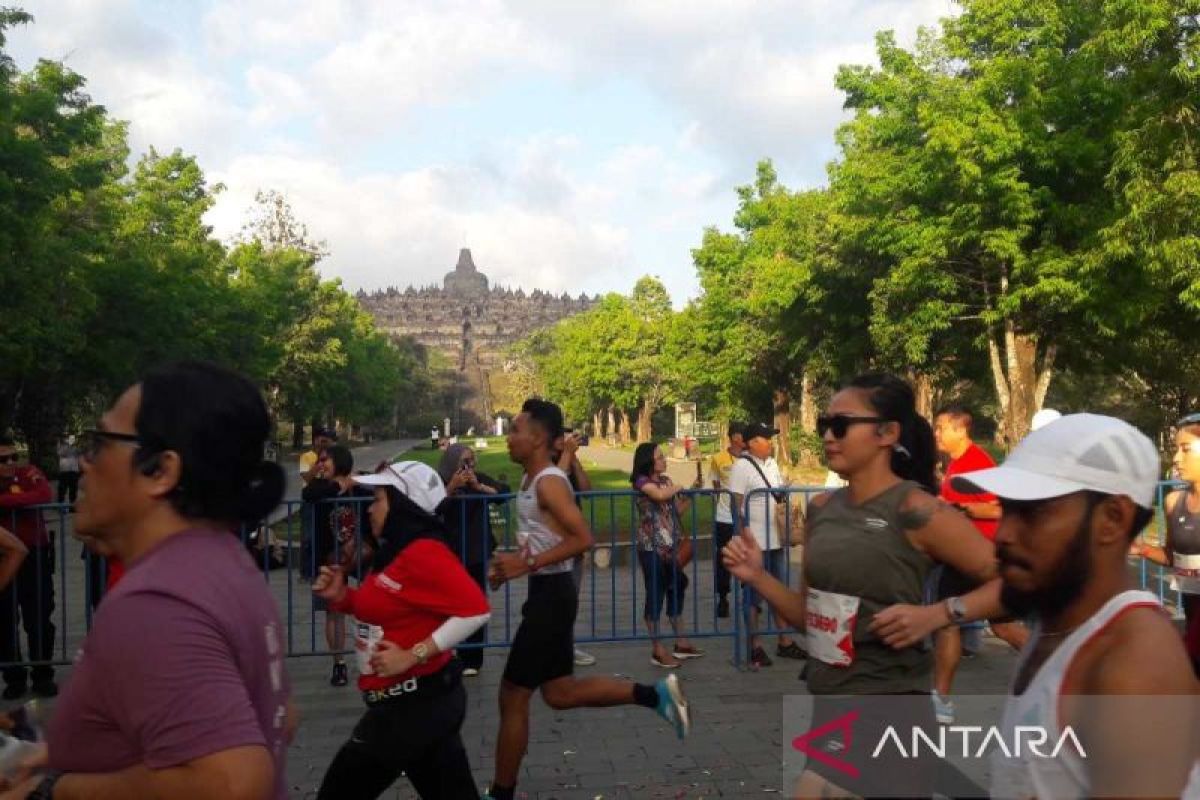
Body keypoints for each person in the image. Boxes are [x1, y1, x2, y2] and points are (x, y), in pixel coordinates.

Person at [10, 361, 294, 799]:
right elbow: (280, 715)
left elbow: (233, 782)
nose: (83, 463)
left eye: (100, 444)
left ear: (161, 471)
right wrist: (63, 751)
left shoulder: (158, 603)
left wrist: (54, 791)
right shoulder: (224, 563)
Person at [723, 374, 1004, 798]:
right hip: (830, 704)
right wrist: (757, 576)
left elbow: (1016, 581)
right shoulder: (821, 510)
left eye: (841, 425)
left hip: (888, 705)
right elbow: (807, 618)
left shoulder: (916, 510)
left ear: (887, 433)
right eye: (824, 424)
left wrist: (941, 613)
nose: (828, 436)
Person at [951, 413, 1199, 798]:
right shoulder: (1061, 621)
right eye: (1007, 508)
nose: (1004, 535)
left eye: (1033, 512)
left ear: (1112, 520)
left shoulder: (1132, 665)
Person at [482, 399, 691, 800]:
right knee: (559, 694)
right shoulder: (532, 480)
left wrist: (525, 565)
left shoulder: (548, 482)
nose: (509, 437)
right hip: (547, 594)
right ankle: (657, 695)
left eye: (516, 430)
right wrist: (514, 565)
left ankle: (501, 793)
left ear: (539, 437)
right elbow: (550, 540)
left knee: (512, 692)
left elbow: (583, 540)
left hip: (553, 598)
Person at [313, 461, 490, 799]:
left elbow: (476, 610)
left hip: (410, 708)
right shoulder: (395, 552)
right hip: (421, 705)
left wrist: (413, 654)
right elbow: (385, 607)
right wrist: (342, 597)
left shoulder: (424, 552)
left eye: (379, 499)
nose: (370, 510)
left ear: (404, 507)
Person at [930, 404, 1028, 723]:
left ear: (961, 430)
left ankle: (941, 699)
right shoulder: (957, 463)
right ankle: (940, 698)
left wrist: (957, 508)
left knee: (956, 621)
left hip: (980, 555)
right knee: (996, 625)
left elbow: (999, 508)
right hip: (963, 555)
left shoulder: (978, 463)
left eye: (942, 427)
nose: (937, 434)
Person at [727, 422, 804, 668]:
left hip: (776, 539)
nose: (770, 443)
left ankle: (784, 641)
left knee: (779, 592)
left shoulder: (771, 464)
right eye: (765, 439)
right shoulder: (741, 467)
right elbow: (735, 504)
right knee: (752, 597)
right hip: (755, 543)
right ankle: (754, 646)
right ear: (751, 443)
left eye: (771, 438)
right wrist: (742, 535)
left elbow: (776, 493)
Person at [1131, 411, 1200, 676]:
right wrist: (1140, 549)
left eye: (1185, 449)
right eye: (1175, 450)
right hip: (1191, 617)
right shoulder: (1173, 502)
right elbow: (1173, 556)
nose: (1176, 459)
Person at [303, 443, 372, 687]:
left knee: (371, 604)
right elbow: (308, 495)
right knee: (334, 613)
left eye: (325, 460)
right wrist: (337, 485)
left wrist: (354, 482)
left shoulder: (360, 485)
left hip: (359, 555)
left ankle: (374, 653)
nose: (320, 464)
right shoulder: (320, 487)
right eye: (319, 460)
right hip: (330, 558)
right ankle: (339, 663)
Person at [437, 443, 509, 676]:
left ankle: (472, 657)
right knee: (450, 604)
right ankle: (451, 651)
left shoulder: (478, 479)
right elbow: (432, 507)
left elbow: (504, 494)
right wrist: (451, 487)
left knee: (475, 601)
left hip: (477, 549)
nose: (470, 466)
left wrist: (479, 486)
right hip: (451, 550)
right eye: (465, 461)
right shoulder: (440, 479)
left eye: (472, 461)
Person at [631, 443, 704, 668]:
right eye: (660, 457)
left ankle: (681, 643)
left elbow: (674, 510)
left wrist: (690, 493)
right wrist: (678, 486)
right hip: (651, 548)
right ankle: (657, 649)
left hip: (671, 547)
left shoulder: (666, 481)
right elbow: (660, 496)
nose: (665, 460)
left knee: (677, 585)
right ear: (648, 461)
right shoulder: (642, 481)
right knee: (655, 595)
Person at [0, 436, 56, 699]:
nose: (11, 463)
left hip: (35, 554)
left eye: (14, 457)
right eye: (3, 460)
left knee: (40, 617)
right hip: (3, 558)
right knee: (4, 620)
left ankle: (43, 675)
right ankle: (14, 677)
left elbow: (44, 494)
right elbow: (31, 497)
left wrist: (3, 502)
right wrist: (21, 499)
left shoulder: (30, 472)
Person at [555, 429, 596, 667]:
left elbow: (587, 491)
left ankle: (566, 645)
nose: (571, 442)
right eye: (566, 438)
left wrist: (575, 459)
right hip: (554, 542)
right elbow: (553, 486)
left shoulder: (571, 463)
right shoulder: (548, 466)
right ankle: (556, 647)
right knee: (556, 598)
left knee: (571, 597)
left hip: (574, 540)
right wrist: (566, 456)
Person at [707, 422, 745, 618]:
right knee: (723, 558)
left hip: (746, 518)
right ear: (733, 437)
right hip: (724, 518)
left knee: (748, 556)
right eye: (741, 434)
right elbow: (715, 485)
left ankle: (749, 597)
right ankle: (723, 598)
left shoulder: (750, 458)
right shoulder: (718, 458)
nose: (744, 438)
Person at [298, 428, 336, 581]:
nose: (323, 442)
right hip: (310, 500)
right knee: (307, 536)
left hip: (327, 500)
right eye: (320, 439)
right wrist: (319, 460)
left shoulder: (333, 456)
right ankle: (305, 572)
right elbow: (307, 478)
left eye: (326, 439)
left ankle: (321, 569)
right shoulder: (307, 457)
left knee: (324, 535)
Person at [55, 436, 81, 506]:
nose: (70, 440)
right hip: (64, 471)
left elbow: (79, 452)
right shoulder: (61, 447)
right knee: (62, 490)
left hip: (73, 471)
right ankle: (60, 506)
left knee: (73, 490)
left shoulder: (76, 448)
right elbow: (61, 453)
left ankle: (72, 506)